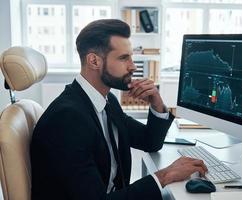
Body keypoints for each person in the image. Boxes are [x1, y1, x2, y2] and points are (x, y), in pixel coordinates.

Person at [30, 19, 207, 200]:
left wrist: (156, 102)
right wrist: (165, 175)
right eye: (124, 58)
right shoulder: (67, 118)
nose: (133, 66)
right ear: (94, 61)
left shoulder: (106, 101)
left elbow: (149, 142)